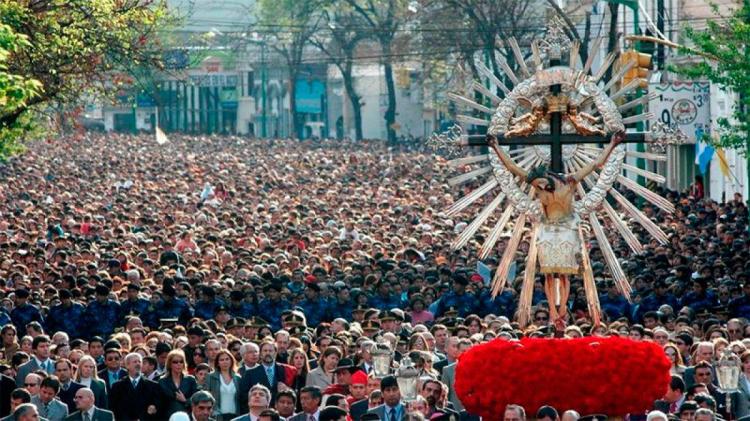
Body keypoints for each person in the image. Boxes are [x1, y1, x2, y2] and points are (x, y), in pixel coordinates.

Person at [487, 131, 625, 324]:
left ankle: (562, 309)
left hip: (567, 230)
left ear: (547, 177)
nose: (539, 188)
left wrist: (611, 144)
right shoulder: (538, 185)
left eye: (541, 183)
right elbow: (511, 167)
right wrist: (495, 147)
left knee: (564, 273)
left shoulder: (570, 181)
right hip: (548, 231)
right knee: (549, 274)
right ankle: (552, 310)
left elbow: (595, 165)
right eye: (536, 186)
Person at [238, 341, 288, 413]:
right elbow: (244, 396)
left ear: (275, 353)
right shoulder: (250, 373)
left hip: (279, 413)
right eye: (265, 351)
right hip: (258, 413)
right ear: (260, 354)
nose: (268, 353)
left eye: (270, 351)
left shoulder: (284, 370)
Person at [108, 352, 160, 420]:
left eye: (140, 362)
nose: (138, 364)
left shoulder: (153, 386)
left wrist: (154, 408)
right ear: (127, 365)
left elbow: (157, 407)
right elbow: (113, 409)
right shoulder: (117, 386)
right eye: (135, 362)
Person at [159, 349, 199, 417]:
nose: (179, 364)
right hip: (168, 416)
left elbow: (196, 399)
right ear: (169, 364)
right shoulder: (162, 381)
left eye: (181, 362)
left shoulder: (191, 380)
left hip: (186, 416)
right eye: (175, 362)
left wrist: (185, 400)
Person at [205, 350, 241, 421]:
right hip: (217, 416)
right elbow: (206, 397)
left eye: (227, 359)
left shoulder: (238, 378)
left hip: (235, 416)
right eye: (222, 360)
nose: (225, 362)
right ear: (217, 363)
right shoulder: (210, 377)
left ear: (231, 361)